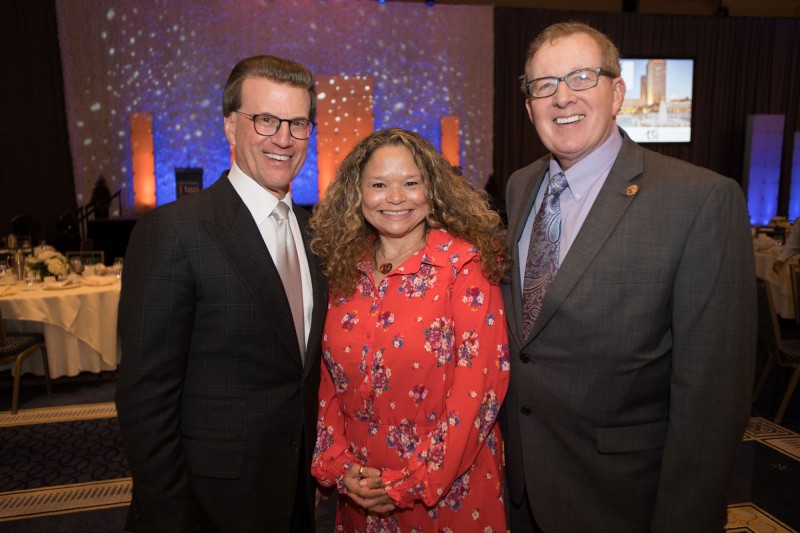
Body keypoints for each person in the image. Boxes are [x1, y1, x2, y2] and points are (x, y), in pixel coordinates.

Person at [502, 22, 756, 533]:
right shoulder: (520, 185)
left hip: (623, 500)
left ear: (617, 92)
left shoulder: (700, 200)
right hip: (524, 489)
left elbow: (712, 398)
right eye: (544, 85)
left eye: (581, 77)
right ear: (529, 106)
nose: (562, 97)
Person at [115, 55, 327, 532]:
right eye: (266, 120)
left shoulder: (315, 233)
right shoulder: (174, 231)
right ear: (231, 126)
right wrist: (171, 514)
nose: (284, 138)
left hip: (294, 492)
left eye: (297, 123)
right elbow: (145, 401)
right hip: (206, 505)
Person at [309, 128, 510, 531]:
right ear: (357, 193)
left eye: (410, 183)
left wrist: (410, 482)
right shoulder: (344, 268)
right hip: (360, 489)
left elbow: (479, 392)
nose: (395, 198)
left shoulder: (463, 267)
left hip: (447, 488)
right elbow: (327, 380)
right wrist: (340, 465)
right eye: (379, 185)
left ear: (432, 190)